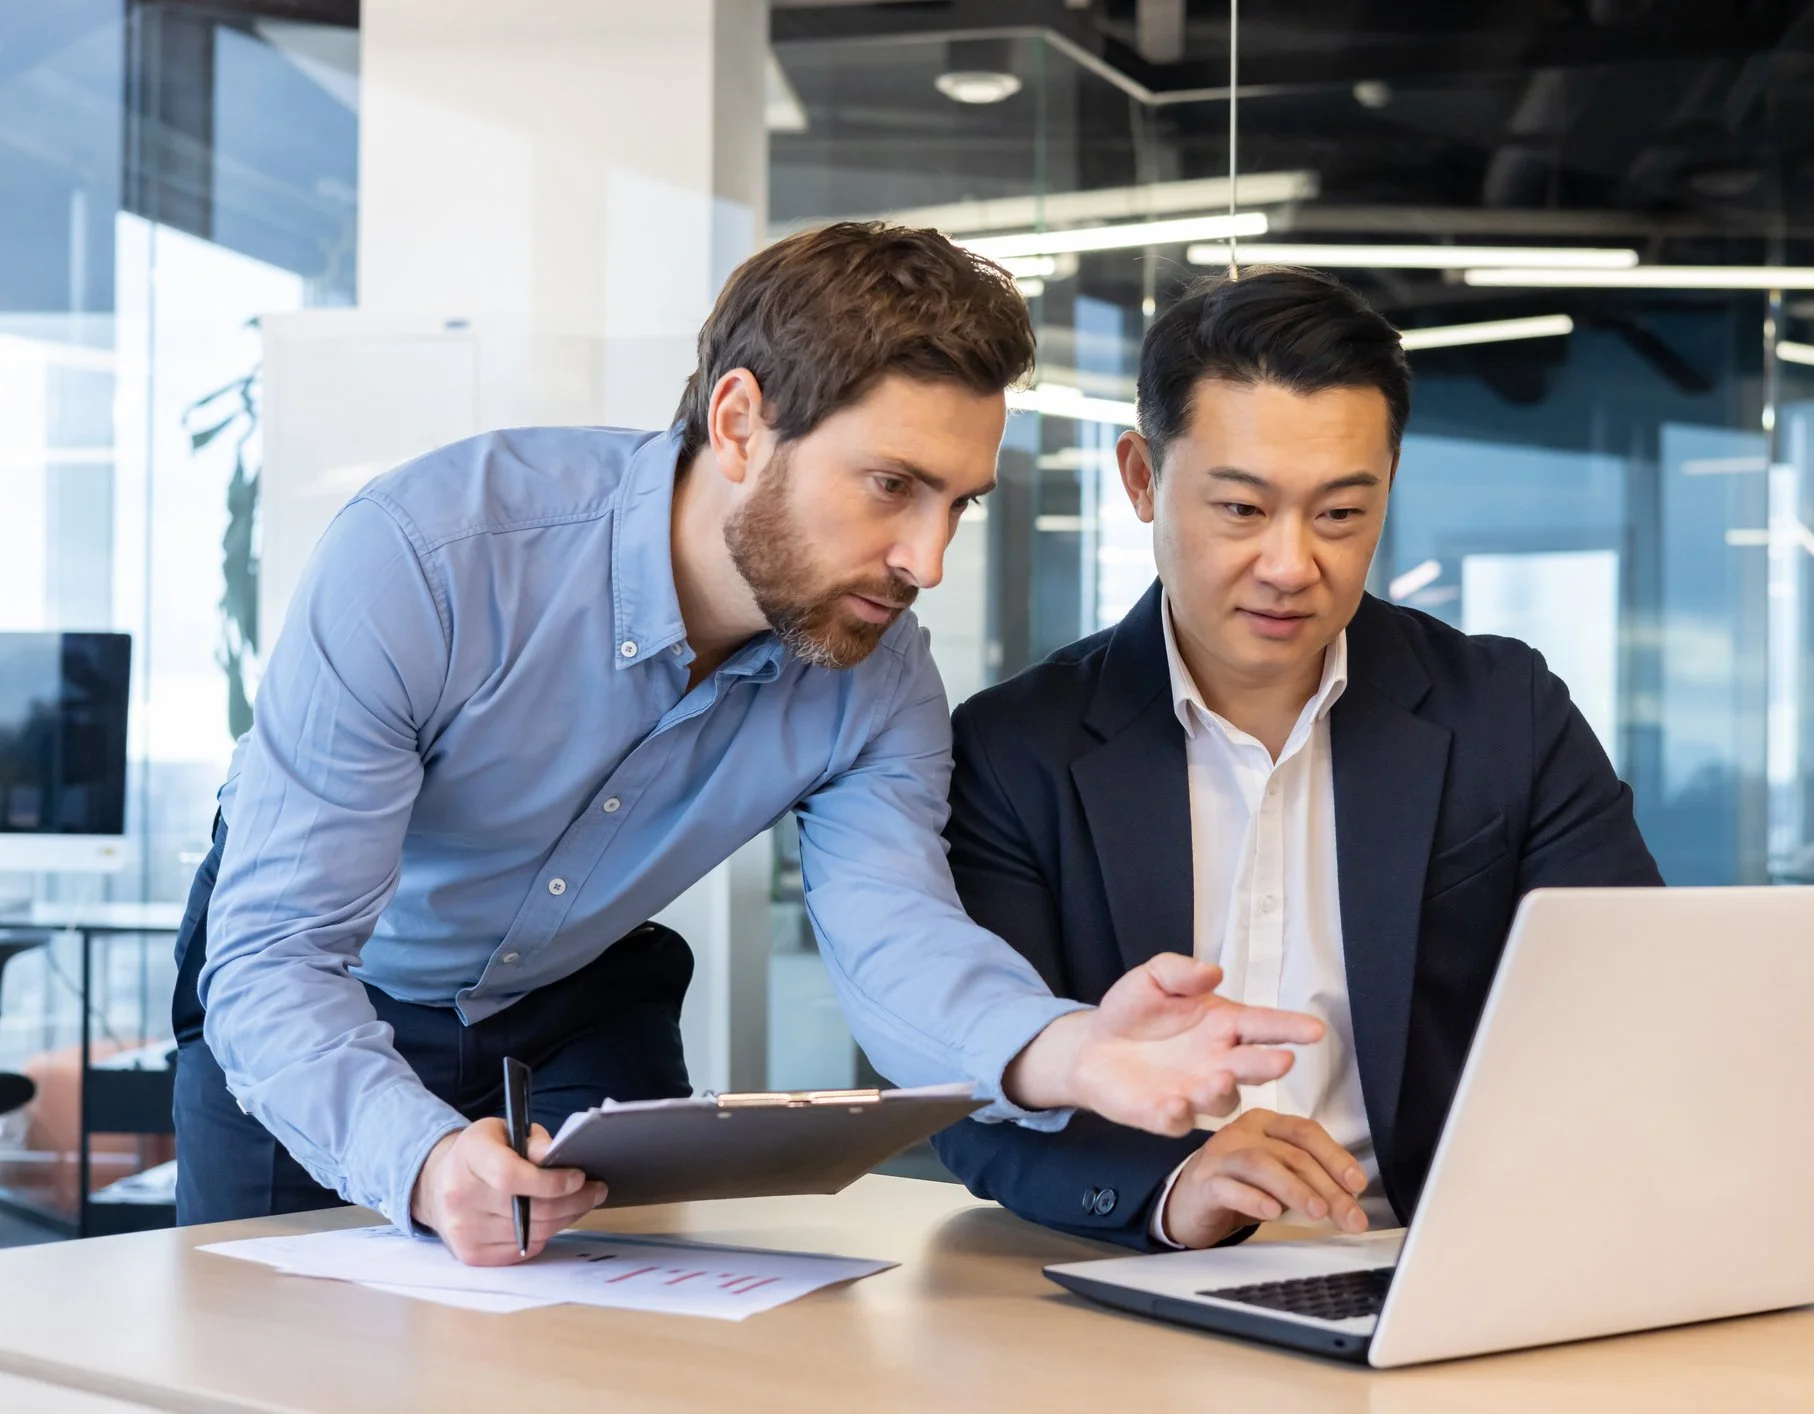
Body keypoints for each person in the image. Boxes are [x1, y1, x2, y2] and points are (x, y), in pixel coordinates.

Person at [172, 224, 1325, 1266]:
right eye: (891, 486)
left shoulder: (880, 675)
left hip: (575, 1000)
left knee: (629, 1362)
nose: (925, 560)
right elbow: (277, 955)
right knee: (270, 1349)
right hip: (319, 987)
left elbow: (895, 937)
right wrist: (419, 1162)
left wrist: (1072, 1049)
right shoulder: (431, 559)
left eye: (957, 503)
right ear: (738, 423)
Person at [931, 268, 1663, 1250]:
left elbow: (1631, 1005)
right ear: (1140, 478)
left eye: (1338, 515)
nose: (1289, 565)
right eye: (1239, 510)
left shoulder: (1503, 712)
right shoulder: (1014, 748)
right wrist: (1174, 1186)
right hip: (1141, 1269)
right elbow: (971, 1096)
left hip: (1432, 1258)